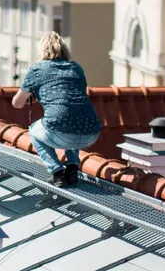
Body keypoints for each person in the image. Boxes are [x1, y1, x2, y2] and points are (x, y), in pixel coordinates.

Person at [11, 32, 102, 187]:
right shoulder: (76, 68)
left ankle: (57, 172)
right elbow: (73, 98)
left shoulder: (38, 69)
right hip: (91, 132)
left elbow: (17, 103)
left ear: (42, 51)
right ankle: (73, 166)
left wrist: (34, 95)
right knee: (74, 116)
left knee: (33, 130)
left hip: (60, 134)